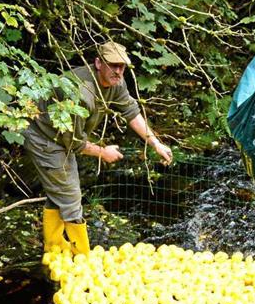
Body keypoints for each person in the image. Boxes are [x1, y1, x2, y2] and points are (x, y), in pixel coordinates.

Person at [24, 41, 173, 255]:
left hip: (64, 135)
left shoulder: (116, 82)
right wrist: (103, 153)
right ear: (98, 63)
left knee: (60, 189)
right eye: (113, 65)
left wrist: (155, 143)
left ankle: (54, 247)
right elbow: (74, 142)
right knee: (71, 194)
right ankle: (81, 257)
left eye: (122, 66)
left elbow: (130, 110)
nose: (118, 71)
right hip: (45, 137)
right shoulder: (79, 92)